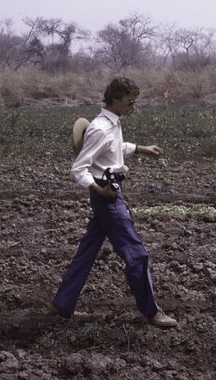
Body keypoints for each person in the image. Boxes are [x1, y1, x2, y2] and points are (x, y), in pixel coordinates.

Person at [49, 77, 177, 328]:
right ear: (116, 99)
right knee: (137, 254)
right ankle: (152, 312)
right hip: (107, 196)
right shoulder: (100, 128)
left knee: (87, 252)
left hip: (107, 192)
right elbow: (79, 168)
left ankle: (61, 305)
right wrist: (99, 189)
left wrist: (141, 148)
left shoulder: (112, 123)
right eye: (130, 102)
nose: (133, 107)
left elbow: (113, 149)